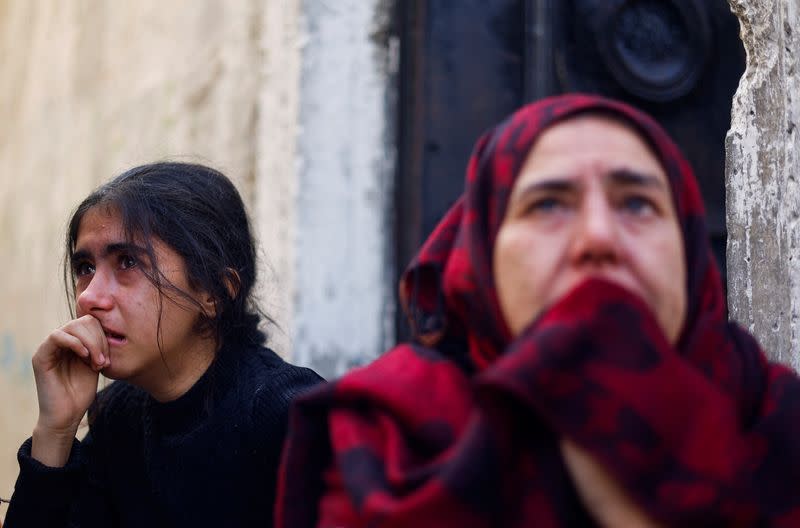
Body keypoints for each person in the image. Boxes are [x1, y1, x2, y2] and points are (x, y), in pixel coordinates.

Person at [275, 95, 800, 527]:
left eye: (637, 203)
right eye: (547, 204)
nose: (598, 238)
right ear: (481, 258)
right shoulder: (392, 445)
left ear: (687, 250)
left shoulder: (776, 424)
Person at [5, 162, 323, 527]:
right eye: (85, 267)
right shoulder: (119, 417)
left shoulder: (287, 415)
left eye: (127, 262)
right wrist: (55, 430)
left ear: (213, 293)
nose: (90, 297)